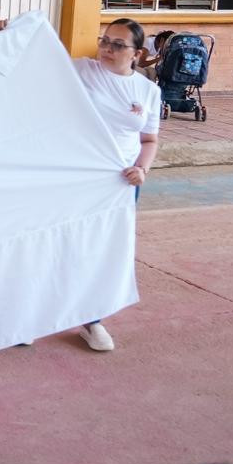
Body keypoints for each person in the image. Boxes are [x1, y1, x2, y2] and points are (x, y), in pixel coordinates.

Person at [70, 17, 161, 353]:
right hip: (72, 176)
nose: (107, 48)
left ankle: (92, 319)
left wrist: (142, 169)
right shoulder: (79, 70)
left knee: (99, 251)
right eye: (104, 40)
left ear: (136, 53)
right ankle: (36, 317)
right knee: (57, 244)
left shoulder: (148, 91)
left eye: (118, 44)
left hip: (118, 184)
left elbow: (149, 140)